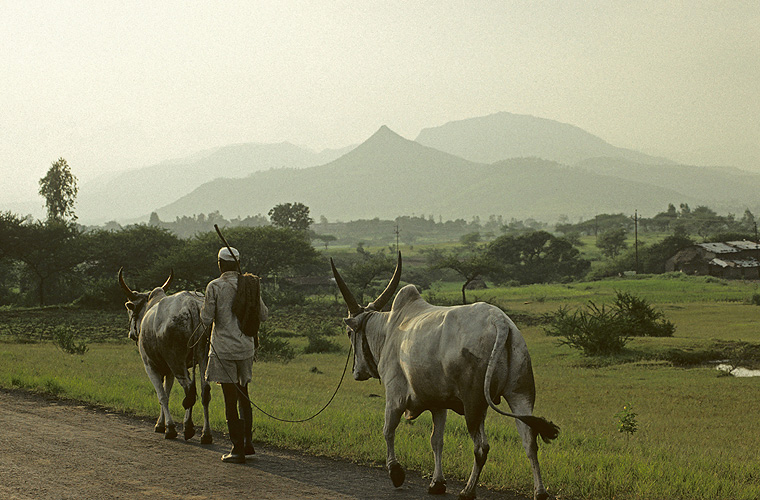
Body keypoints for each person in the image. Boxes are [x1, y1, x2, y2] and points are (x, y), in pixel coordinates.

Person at [201, 246, 268, 463]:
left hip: (223, 350)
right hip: (246, 349)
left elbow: (206, 318)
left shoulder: (215, 286)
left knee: (230, 398)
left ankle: (236, 449)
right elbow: (264, 315)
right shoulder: (250, 285)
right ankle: (248, 444)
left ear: (220, 264)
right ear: (237, 263)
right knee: (244, 395)